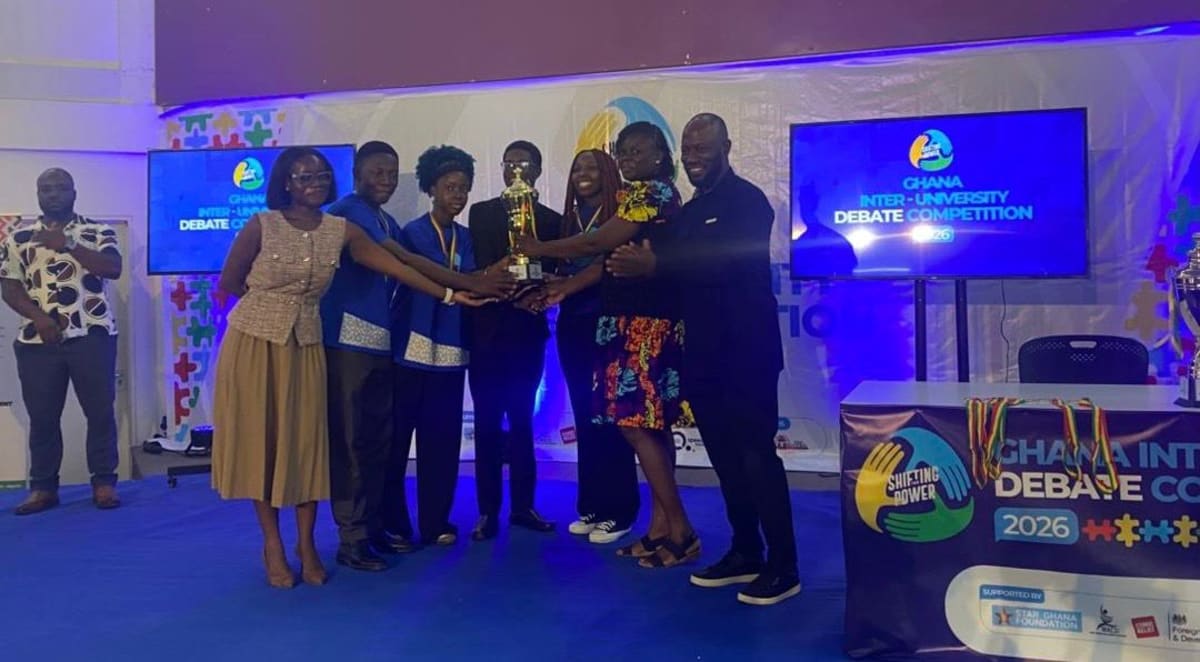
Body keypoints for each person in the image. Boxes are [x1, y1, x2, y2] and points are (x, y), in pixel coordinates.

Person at [213, 146, 483, 589]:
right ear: (285, 183)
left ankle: (308, 545)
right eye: (304, 177)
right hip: (258, 346)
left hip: (309, 346)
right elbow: (229, 282)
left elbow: (395, 266)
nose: (314, 183)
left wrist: (451, 295)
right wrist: (269, 315)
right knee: (265, 445)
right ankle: (274, 546)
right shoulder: (263, 224)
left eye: (321, 175)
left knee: (308, 446)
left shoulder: (342, 228)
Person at [607, 113, 801, 605]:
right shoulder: (691, 211)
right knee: (725, 459)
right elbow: (677, 277)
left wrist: (657, 263)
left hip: (748, 352)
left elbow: (726, 260)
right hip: (703, 354)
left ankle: (784, 566)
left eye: (703, 148)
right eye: (688, 149)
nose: (693, 157)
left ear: (726, 148)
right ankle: (745, 551)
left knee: (757, 457)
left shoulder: (748, 201)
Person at [320, 141, 514, 572]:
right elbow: (407, 265)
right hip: (387, 349)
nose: (386, 181)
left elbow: (455, 274)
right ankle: (369, 531)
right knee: (368, 444)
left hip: (411, 348)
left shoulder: (392, 222)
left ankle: (403, 526)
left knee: (407, 443)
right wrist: (462, 288)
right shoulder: (371, 219)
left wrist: (497, 274)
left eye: (392, 174)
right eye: (378, 172)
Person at [519, 122, 698, 569]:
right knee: (649, 428)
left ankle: (680, 530)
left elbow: (598, 241)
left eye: (638, 151)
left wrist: (540, 246)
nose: (628, 158)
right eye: (623, 151)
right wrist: (563, 285)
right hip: (627, 322)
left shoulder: (650, 193)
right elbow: (604, 259)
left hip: (643, 325)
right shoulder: (641, 196)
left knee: (635, 426)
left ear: (661, 156)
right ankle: (660, 528)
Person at [382, 145, 489, 547]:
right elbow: (439, 276)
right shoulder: (413, 233)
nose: (457, 195)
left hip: (451, 352)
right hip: (409, 351)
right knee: (397, 442)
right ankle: (394, 522)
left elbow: (473, 278)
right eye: (449, 187)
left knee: (441, 440)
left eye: (463, 188)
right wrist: (470, 281)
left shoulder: (466, 237)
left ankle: (436, 522)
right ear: (431, 188)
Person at [1, 168, 123, 515]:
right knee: (42, 417)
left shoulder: (98, 231)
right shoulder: (18, 238)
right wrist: (39, 318)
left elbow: (112, 268)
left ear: (74, 193)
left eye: (60, 188)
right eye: (45, 189)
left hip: (92, 336)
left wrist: (68, 245)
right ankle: (43, 489)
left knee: (100, 413)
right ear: (38, 194)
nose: (52, 194)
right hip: (37, 341)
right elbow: (9, 287)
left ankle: (104, 483)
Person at [537, 149, 638, 544]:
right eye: (577, 167)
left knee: (611, 415)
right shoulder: (570, 218)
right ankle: (593, 505)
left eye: (592, 167)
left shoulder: (623, 213)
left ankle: (620, 510)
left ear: (608, 172)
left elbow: (605, 262)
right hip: (573, 324)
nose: (583, 173)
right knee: (585, 413)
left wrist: (565, 286)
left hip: (608, 321)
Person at [465, 140, 561, 541]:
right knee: (487, 423)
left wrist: (535, 296)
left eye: (523, 163)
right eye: (509, 163)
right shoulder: (482, 213)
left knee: (523, 422)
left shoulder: (552, 221)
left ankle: (524, 507)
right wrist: (511, 292)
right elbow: (482, 269)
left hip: (526, 334)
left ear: (537, 170)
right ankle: (487, 512)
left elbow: (551, 272)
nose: (515, 169)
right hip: (487, 331)